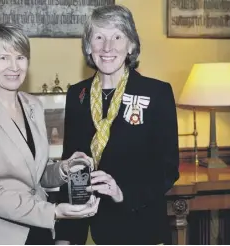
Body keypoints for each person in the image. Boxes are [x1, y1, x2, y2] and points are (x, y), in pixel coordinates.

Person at [0, 23, 100, 245]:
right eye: (3, 58)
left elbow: (36, 176)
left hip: (37, 230)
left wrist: (64, 168)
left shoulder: (33, 105)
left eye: (20, 57)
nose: (14, 66)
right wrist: (54, 212)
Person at [55, 4, 179, 245]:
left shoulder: (157, 93)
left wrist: (122, 193)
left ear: (131, 45)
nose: (107, 47)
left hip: (140, 228)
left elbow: (167, 169)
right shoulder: (76, 94)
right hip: (87, 231)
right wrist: (65, 237)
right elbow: (72, 166)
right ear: (89, 46)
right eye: (99, 37)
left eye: (117, 36)